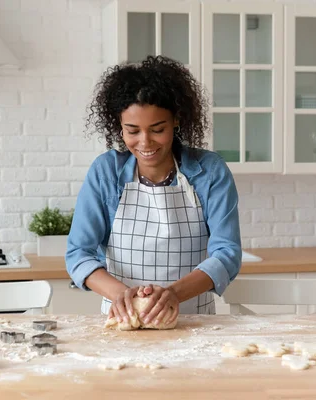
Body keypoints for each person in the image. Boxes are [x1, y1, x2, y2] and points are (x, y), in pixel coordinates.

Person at [65, 55, 241, 327]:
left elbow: (227, 254)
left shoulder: (209, 171)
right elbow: (78, 254)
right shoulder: (106, 172)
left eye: (157, 129)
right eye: (132, 130)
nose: (145, 142)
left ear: (176, 121)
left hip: (195, 322)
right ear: (118, 127)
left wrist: (172, 295)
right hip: (123, 320)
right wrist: (121, 295)